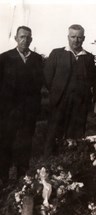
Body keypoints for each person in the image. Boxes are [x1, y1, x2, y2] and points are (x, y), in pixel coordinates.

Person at [44, 24, 95, 156]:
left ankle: (71, 165)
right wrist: (57, 93)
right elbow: (48, 77)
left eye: (79, 37)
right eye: (73, 37)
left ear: (83, 38)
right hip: (59, 102)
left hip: (79, 104)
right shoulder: (57, 53)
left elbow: (91, 79)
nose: (76, 40)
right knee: (54, 135)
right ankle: (49, 165)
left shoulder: (88, 57)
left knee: (75, 137)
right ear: (68, 37)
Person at [0, 26, 43, 182]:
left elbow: (39, 85)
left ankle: (22, 180)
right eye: (22, 37)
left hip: (28, 112)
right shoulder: (4, 58)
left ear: (31, 39)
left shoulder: (37, 59)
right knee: (5, 144)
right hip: (8, 112)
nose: (25, 40)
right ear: (16, 38)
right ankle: (3, 179)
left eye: (28, 37)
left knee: (25, 145)